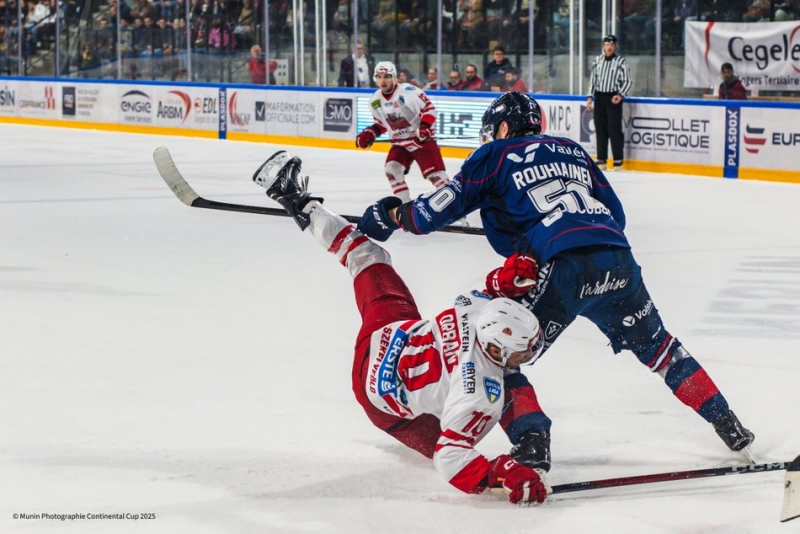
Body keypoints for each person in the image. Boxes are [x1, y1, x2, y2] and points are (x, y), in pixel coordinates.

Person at [355, 91, 756, 461]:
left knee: (498, 354)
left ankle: (532, 444)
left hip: (564, 269)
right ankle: (729, 424)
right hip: (617, 258)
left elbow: (429, 214)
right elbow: (616, 214)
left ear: (504, 128)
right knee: (661, 349)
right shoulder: (573, 150)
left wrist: (392, 215)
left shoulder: (493, 154)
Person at [250, 150, 550, 505]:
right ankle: (531, 441)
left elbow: (492, 290)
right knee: (472, 419)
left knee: (365, 256)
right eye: (522, 350)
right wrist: (499, 473)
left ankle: (297, 201)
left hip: (388, 334)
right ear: (497, 348)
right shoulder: (480, 397)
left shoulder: (475, 307)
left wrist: (509, 278)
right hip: (377, 397)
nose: (528, 354)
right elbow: (450, 458)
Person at [354, 61, 449, 202]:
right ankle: (404, 208)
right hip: (400, 144)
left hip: (420, 140)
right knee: (391, 170)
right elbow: (382, 123)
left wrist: (424, 127)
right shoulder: (375, 100)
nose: (383, 80)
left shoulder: (409, 92)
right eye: (379, 77)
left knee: (436, 175)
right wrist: (370, 133)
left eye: (386, 76)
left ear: (394, 77)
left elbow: (429, 109)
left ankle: (457, 211)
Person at [586, 34, 632, 171]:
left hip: (613, 99)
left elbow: (628, 81)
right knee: (600, 129)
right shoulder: (597, 60)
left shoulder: (621, 62)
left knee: (614, 129)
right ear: (603, 46)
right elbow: (593, 80)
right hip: (599, 98)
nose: (609, 47)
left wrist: (620, 94)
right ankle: (602, 159)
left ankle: (617, 160)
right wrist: (589, 97)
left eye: (612, 45)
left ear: (615, 46)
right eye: (607, 44)